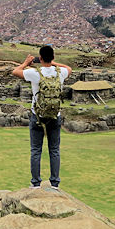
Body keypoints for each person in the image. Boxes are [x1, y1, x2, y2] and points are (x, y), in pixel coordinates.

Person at [12, 45, 72, 190]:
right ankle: (55, 183)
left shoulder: (35, 73)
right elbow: (69, 68)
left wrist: (26, 63)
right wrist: (54, 63)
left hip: (37, 116)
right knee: (54, 150)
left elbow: (15, 71)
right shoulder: (61, 73)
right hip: (55, 116)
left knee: (36, 150)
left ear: (40, 57)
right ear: (53, 57)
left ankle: (36, 182)